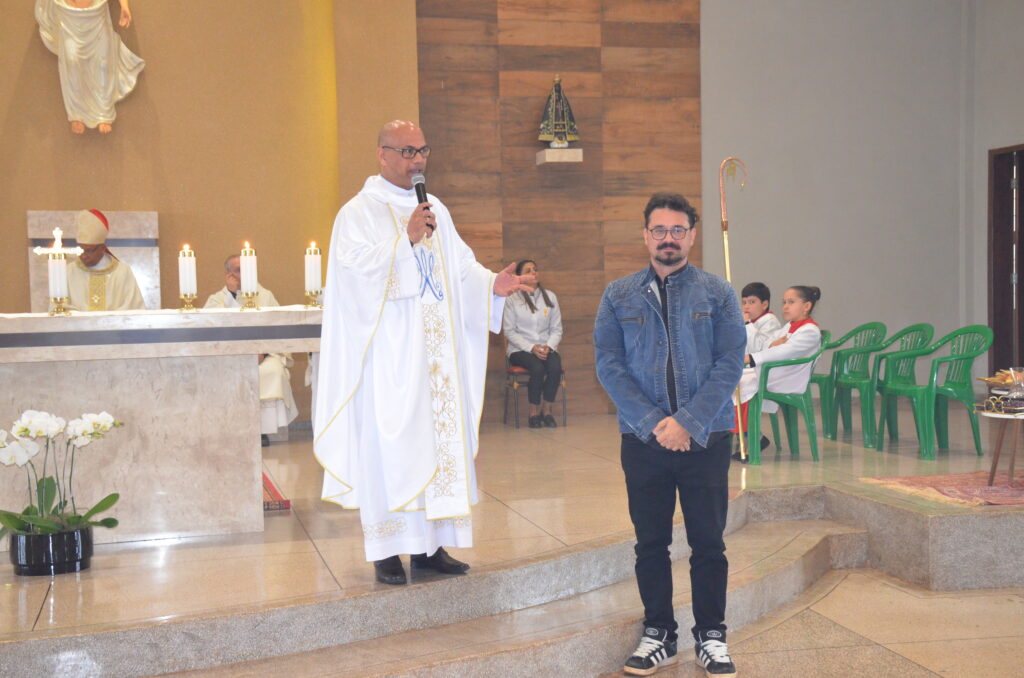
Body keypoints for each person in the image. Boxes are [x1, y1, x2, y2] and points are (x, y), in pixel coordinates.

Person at [313, 120, 533, 586]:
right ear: (382, 154)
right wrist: (405, 241)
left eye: (423, 150)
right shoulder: (358, 213)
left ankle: (431, 548)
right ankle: (388, 550)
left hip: (435, 361)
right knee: (391, 449)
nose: (418, 160)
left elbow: (460, 268)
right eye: (408, 150)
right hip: (389, 360)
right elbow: (355, 279)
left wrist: (492, 284)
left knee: (438, 448)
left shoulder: (437, 210)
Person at [595, 192, 743, 677]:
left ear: (692, 235)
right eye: (659, 230)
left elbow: (728, 364)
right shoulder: (618, 295)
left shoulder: (718, 293)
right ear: (645, 235)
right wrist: (657, 424)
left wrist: (688, 422)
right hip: (644, 442)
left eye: (678, 230)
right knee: (650, 543)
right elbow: (609, 366)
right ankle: (659, 632)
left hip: (707, 438)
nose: (668, 239)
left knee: (708, 543)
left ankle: (712, 635)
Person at [204, 255, 298, 445]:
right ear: (228, 274)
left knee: (272, 371)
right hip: (230, 358)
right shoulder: (217, 300)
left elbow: (277, 328)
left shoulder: (265, 296)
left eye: (248, 269)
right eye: (239, 270)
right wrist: (231, 296)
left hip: (263, 356)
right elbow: (212, 329)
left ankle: (262, 430)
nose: (244, 274)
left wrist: (263, 352)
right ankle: (233, 428)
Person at [35, 0, 145, 134]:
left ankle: (104, 113)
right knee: (72, 63)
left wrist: (124, 6)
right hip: (70, 21)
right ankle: (77, 114)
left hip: (97, 20)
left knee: (104, 65)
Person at [738, 285, 824, 420]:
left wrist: (751, 357)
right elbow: (768, 344)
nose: (785, 306)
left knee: (736, 381)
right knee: (732, 379)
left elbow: (783, 352)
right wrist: (772, 344)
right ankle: (735, 430)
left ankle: (740, 431)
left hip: (787, 379)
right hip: (776, 373)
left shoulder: (810, 331)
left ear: (806, 306)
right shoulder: (790, 325)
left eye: (791, 302)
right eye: (784, 302)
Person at [502, 259, 564, 428]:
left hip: (546, 347)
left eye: (535, 269)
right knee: (537, 368)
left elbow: (556, 329)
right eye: (529, 270)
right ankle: (533, 413)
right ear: (520, 276)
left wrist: (548, 347)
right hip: (520, 349)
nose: (534, 273)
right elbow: (509, 331)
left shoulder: (550, 297)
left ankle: (547, 410)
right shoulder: (512, 299)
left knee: (554, 367)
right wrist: (531, 348)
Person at [64, 209, 145, 311]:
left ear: (102, 248)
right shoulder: (69, 271)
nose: (83, 256)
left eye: (89, 251)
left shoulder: (122, 272)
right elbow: (60, 309)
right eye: (80, 250)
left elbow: (133, 308)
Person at [741, 282, 781, 354]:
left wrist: (747, 324)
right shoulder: (748, 322)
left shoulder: (770, 321)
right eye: (744, 302)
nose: (746, 306)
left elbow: (758, 349)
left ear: (764, 305)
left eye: (752, 302)